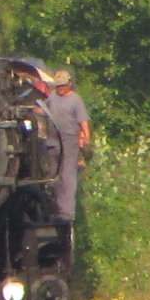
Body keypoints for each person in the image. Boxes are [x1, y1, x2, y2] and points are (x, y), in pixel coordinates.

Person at [45, 69, 91, 221]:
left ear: (69, 84)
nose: (60, 88)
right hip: (53, 140)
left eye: (63, 86)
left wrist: (86, 137)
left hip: (69, 141)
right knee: (53, 175)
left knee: (67, 174)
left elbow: (83, 120)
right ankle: (54, 208)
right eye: (58, 86)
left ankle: (67, 212)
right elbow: (42, 110)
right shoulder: (52, 97)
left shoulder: (75, 100)